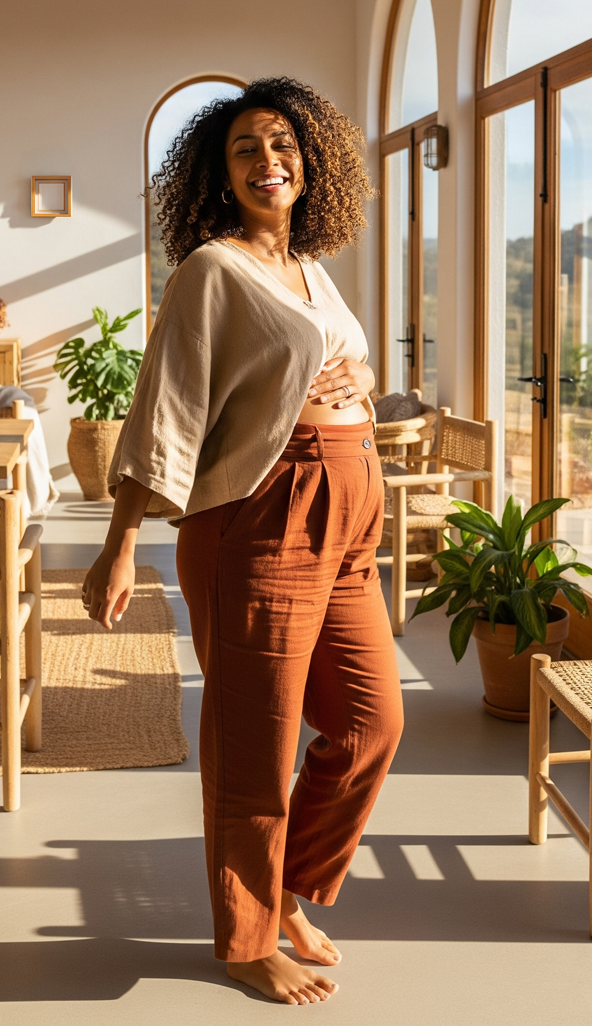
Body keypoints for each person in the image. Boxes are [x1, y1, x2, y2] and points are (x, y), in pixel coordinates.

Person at [82, 77, 404, 1005]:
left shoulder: (311, 266)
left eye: (282, 145)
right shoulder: (210, 270)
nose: (269, 162)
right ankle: (247, 939)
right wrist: (119, 542)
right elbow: (168, 406)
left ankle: (287, 888)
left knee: (372, 723)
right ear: (220, 175)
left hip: (351, 510)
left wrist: (358, 377)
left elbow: (342, 361)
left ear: (311, 160)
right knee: (254, 745)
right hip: (262, 517)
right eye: (246, 150)